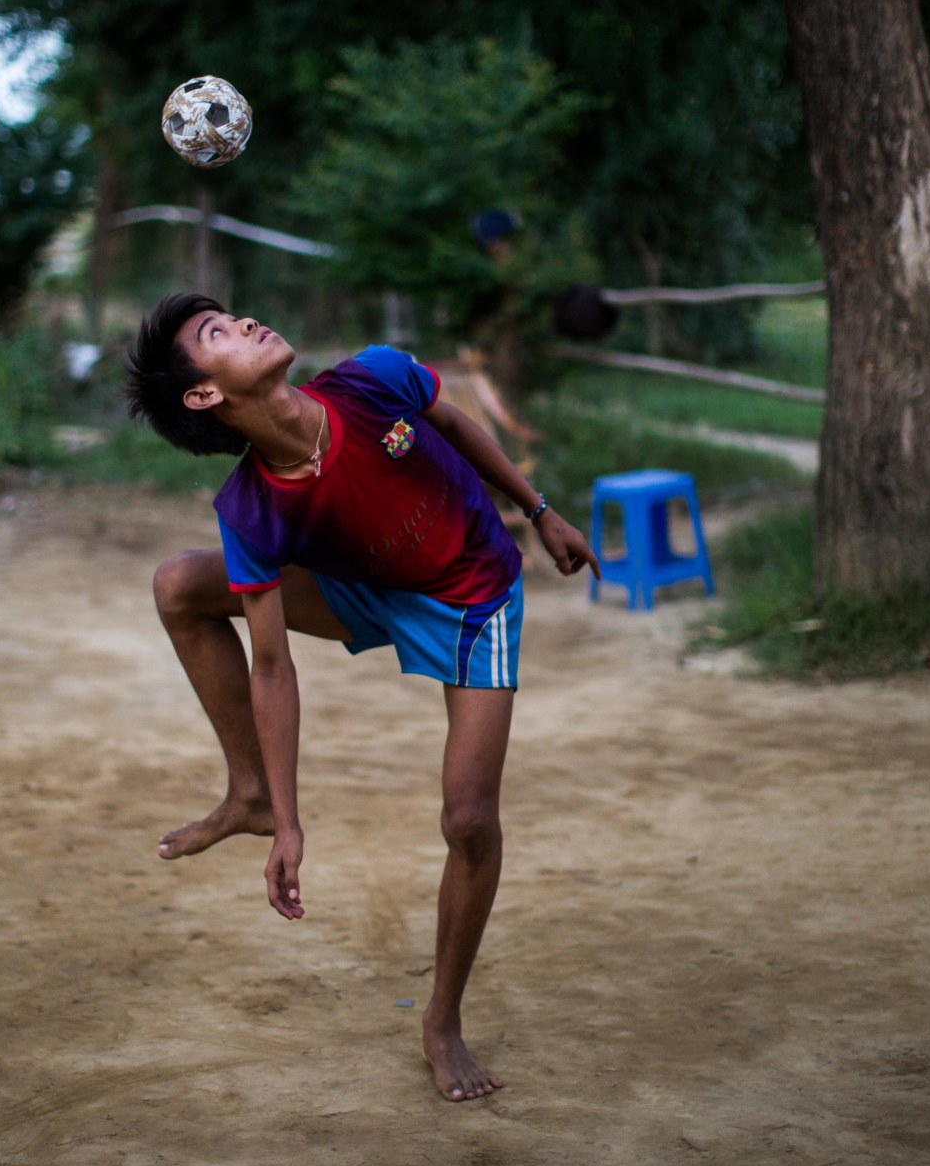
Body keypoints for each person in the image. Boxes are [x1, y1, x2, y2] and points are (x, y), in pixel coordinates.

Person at [124, 294, 600, 1102]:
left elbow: (455, 424)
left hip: (470, 594)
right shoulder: (250, 509)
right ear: (203, 394)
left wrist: (539, 510)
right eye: (217, 333)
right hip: (362, 588)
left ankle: (441, 1021)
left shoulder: (373, 378)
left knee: (469, 819)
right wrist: (289, 815)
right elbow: (271, 667)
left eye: (234, 316)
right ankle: (249, 794)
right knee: (179, 584)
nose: (246, 323)